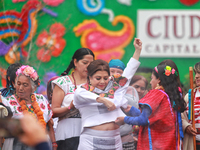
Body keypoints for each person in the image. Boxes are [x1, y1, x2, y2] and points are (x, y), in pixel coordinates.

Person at [73, 38, 142, 150]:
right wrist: (103, 100)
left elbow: (129, 71)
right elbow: (79, 95)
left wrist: (137, 50)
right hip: (90, 142)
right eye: (98, 78)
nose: (102, 82)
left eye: (105, 78)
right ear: (89, 77)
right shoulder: (83, 90)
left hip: (115, 141)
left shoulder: (115, 86)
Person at [115, 64, 186, 150]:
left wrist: (125, 119)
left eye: (152, 78)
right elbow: (152, 118)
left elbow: (144, 120)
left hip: (154, 144)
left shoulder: (156, 94)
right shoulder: (170, 96)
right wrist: (132, 110)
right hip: (169, 143)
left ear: (159, 79)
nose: (151, 82)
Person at [0, 65, 53, 150]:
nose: (20, 88)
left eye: (25, 85)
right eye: (19, 84)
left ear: (33, 88)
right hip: (15, 145)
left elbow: (50, 124)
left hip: (40, 144)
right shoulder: (7, 102)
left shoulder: (41, 100)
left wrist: (54, 144)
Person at [51, 48, 94, 150]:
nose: (88, 66)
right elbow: (53, 112)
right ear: (75, 62)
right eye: (85, 62)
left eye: (91, 63)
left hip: (89, 132)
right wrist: (69, 107)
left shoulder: (94, 84)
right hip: (67, 132)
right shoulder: (63, 82)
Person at [109, 59, 139, 150]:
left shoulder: (130, 89)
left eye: (119, 72)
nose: (115, 74)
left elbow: (133, 105)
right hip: (106, 138)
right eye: (112, 71)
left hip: (125, 140)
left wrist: (116, 92)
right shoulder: (101, 88)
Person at [182, 62, 200, 149]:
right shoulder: (190, 95)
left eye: (199, 73)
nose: (196, 76)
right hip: (193, 143)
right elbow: (181, 117)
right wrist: (186, 126)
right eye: (195, 73)